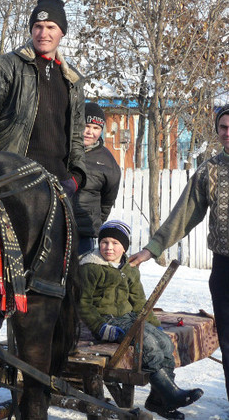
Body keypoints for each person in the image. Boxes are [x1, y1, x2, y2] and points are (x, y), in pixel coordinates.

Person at [130, 104, 229, 403]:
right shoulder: (209, 170)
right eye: (223, 127)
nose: (228, 133)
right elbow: (184, 213)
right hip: (224, 269)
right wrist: (153, 248)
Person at [80, 220, 203, 419]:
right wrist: (101, 327)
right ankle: (170, 394)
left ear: (124, 247)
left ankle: (159, 400)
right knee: (149, 344)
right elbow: (83, 304)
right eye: (104, 242)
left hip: (128, 318)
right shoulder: (90, 267)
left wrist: (155, 325)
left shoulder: (129, 268)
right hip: (108, 320)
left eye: (115, 243)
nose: (109, 247)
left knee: (163, 342)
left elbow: (138, 302)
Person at [0, 0, 86, 197]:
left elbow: (76, 136)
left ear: (62, 32)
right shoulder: (8, 66)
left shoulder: (73, 80)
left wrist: (76, 178)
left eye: (51, 27)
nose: (43, 33)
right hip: (13, 178)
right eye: (38, 26)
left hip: (58, 183)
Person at [74, 102, 121, 256]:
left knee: (82, 276)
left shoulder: (107, 162)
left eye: (96, 128)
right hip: (54, 226)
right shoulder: (62, 150)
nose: (90, 132)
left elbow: (107, 201)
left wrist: (94, 222)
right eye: (86, 126)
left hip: (83, 233)